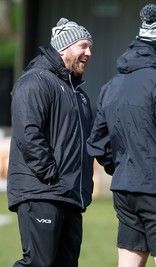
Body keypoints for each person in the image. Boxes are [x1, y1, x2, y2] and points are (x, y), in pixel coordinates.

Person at [86, 4, 156, 267]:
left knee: (129, 262)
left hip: (125, 190)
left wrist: (123, 168)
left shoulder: (111, 85)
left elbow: (97, 144)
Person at [7, 18, 94, 267]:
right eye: (84, 46)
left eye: (90, 47)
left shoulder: (79, 94)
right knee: (39, 263)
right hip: (42, 190)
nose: (89, 53)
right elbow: (28, 132)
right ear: (64, 48)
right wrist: (50, 173)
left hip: (70, 196)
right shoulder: (35, 81)